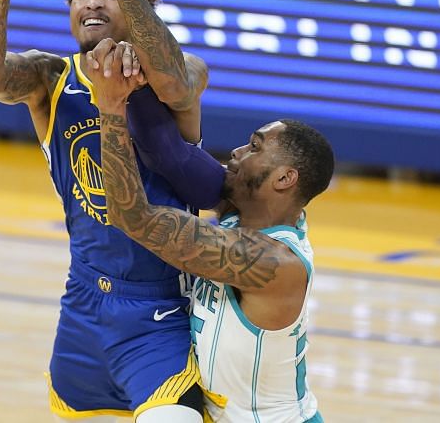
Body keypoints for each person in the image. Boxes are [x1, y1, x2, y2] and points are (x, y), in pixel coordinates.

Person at [0, 0, 223, 422]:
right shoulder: (49, 78)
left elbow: (175, 81)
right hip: (82, 302)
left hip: (159, 307)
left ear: (138, 5)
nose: (93, 3)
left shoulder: (180, 71)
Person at [88, 49, 333, 422]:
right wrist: (131, 77)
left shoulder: (271, 261)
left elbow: (131, 216)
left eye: (254, 147)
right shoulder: (241, 208)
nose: (235, 153)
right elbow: (171, 154)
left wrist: (111, 106)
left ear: (284, 178)